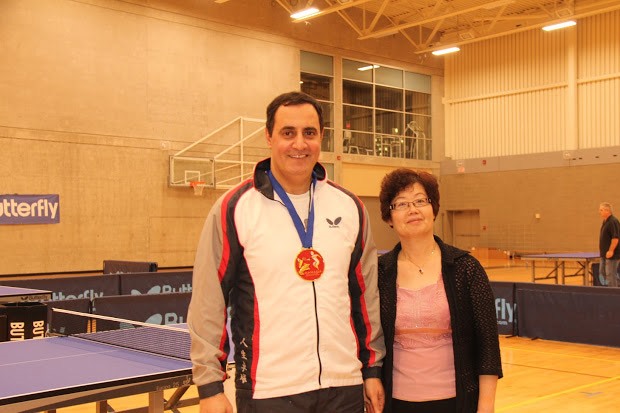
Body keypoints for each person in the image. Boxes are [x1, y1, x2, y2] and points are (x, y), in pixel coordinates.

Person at [188, 91, 385, 413]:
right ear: (268, 137)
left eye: (309, 133)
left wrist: (372, 369)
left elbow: (365, 297)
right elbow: (209, 301)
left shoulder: (350, 206)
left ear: (322, 137)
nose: (299, 144)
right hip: (269, 389)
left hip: (344, 383)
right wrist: (210, 386)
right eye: (287, 133)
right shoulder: (235, 208)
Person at [376, 168, 502, 413]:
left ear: (433, 209)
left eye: (420, 201)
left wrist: (486, 407)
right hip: (396, 403)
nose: (412, 209)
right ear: (389, 218)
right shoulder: (379, 272)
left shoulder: (466, 268)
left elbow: (487, 345)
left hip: (457, 401)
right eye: (400, 204)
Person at [598, 202, 620, 287]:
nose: (599, 212)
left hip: (612, 255)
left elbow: (615, 238)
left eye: (601, 210)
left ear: (607, 211)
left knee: (611, 275)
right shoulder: (605, 221)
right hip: (604, 254)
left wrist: (611, 251)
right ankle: (608, 291)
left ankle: (614, 294)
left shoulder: (613, 221)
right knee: (602, 274)